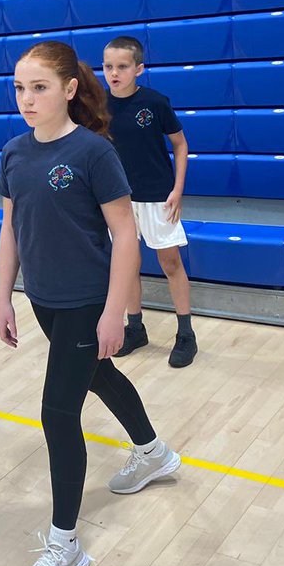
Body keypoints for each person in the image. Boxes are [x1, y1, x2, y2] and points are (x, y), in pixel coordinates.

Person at [0, 41, 181, 566]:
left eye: (40, 87)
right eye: (21, 88)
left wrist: (114, 311)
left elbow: (126, 234)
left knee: (57, 411)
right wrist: (4, 296)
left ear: (69, 90)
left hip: (85, 300)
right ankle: (154, 454)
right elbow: (10, 229)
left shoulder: (94, 153)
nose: (27, 99)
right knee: (97, 376)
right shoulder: (13, 151)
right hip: (43, 299)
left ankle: (66, 544)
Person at [102, 36, 198, 368]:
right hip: (118, 201)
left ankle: (185, 333)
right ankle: (135, 328)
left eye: (122, 67)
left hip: (158, 198)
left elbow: (181, 145)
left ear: (139, 69)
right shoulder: (97, 107)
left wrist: (177, 189)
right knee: (126, 266)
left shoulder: (155, 103)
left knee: (170, 264)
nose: (114, 73)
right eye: (108, 67)